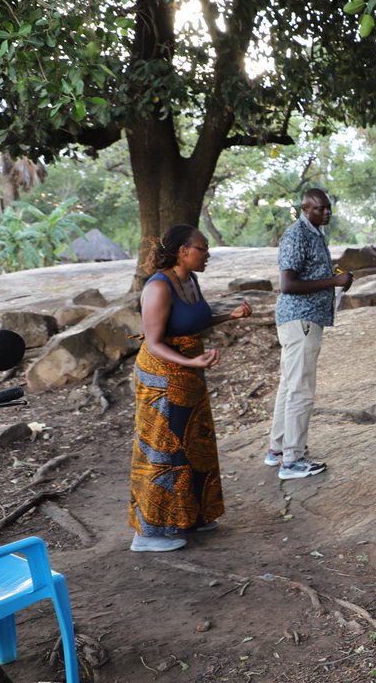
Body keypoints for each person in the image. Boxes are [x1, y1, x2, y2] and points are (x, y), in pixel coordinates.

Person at [130, 225, 252, 552]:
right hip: (161, 376)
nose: (207, 254)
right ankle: (149, 533)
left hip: (189, 370)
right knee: (164, 447)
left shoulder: (190, 280)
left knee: (193, 443)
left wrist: (231, 315)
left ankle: (192, 517)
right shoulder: (158, 288)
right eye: (202, 248)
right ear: (183, 251)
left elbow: (195, 321)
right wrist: (190, 363)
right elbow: (153, 343)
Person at [266, 188, 354, 480]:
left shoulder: (315, 233)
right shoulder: (297, 235)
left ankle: (278, 449)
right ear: (305, 208)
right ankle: (292, 459)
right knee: (300, 389)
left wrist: (333, 279)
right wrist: (333, 280)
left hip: (304, 320)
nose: (326, 213)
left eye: (328, 207)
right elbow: (288, 284)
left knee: (290, 385)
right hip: (299, 320)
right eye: (319, 208)